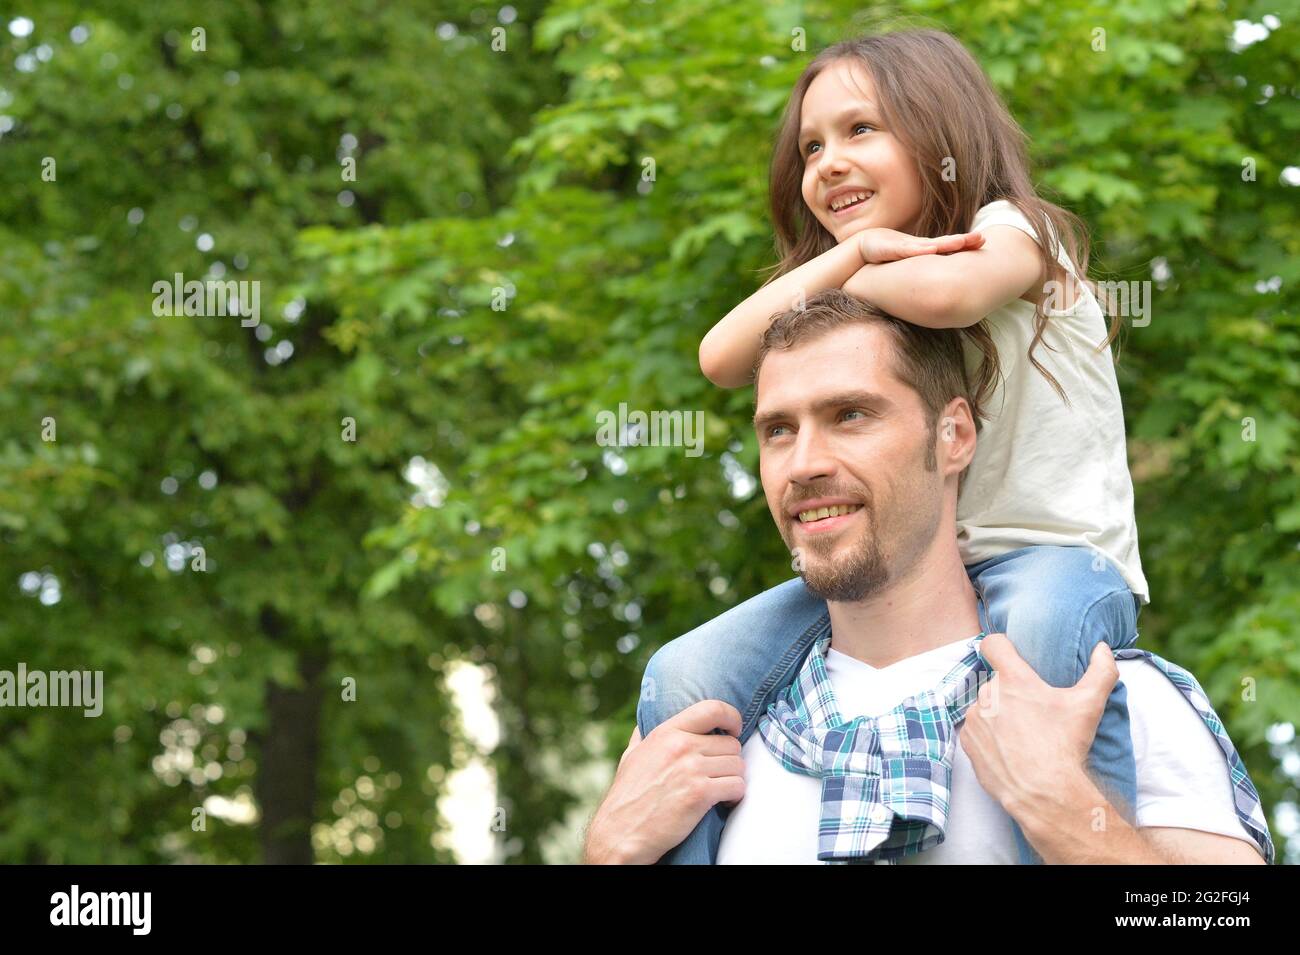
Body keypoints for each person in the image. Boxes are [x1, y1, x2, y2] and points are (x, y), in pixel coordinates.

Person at [658, 29, 1152, 864]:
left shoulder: (1018, 231)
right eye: (811, 146)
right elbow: (719, 358)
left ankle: (1081, 831)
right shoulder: (869, 285)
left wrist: (843, 266)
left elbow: (956, 291)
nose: (828, 163)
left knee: (1034, 653)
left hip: (1052, 560)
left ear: (942, 132)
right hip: (914, 567)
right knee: (686, 669)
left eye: (861, 131)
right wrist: (852, 252)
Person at [582, 289, 1273, 865]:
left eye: (850, 415)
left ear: (954, 436)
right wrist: (608, 853)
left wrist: (1064, 808)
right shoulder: (708, 736)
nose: (803, 464)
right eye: (779, 431)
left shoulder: (1102, 698)